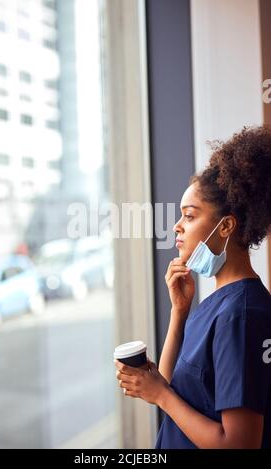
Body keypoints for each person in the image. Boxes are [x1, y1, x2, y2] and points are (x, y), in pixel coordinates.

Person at [114, 126, 271, 449]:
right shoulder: (219, 303)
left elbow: (239, 444)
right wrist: (180, 312)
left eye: (189, 216)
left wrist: (159, 394)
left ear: (226, 225)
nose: (177, 226)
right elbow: (172, 388)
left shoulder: (239, 316)